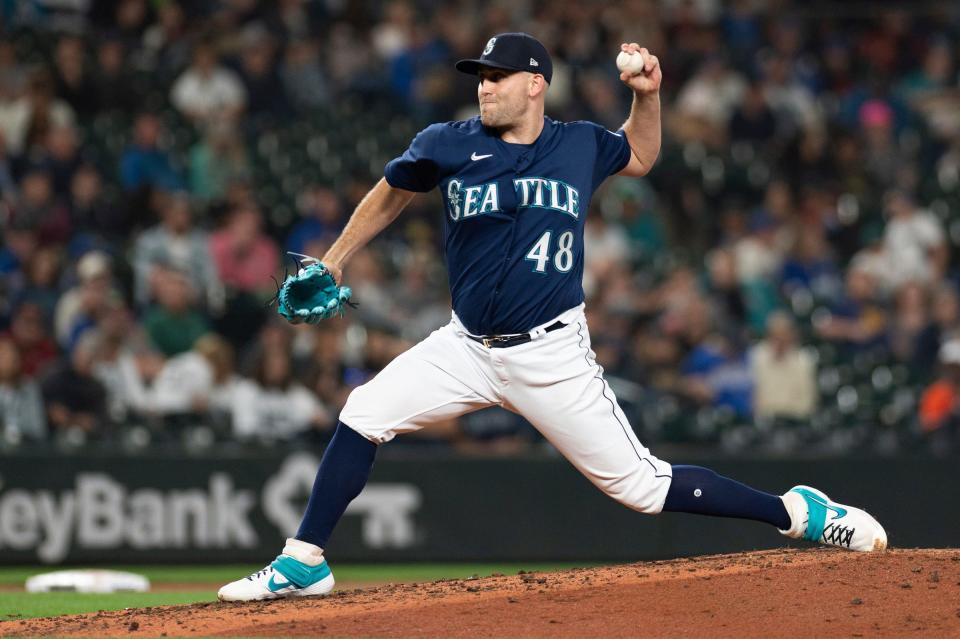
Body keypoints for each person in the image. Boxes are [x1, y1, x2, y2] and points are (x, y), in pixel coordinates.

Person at [218, 34, 886, 602]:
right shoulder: (446, 143)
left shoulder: (578, 145)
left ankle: (797, 512)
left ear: (535, 84)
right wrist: (335, 260)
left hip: (551, 353)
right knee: (364, 411)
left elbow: (644, 155)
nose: (484, 88)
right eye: (480, 78)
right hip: (465, 345)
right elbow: (390, 192)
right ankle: (304, 558)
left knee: (644, 487)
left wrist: (647, 94)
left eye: (497, 77)